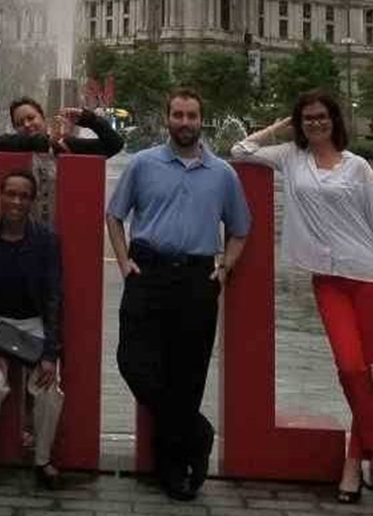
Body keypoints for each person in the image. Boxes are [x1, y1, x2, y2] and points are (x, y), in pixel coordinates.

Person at [232, 91, 373, 503]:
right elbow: (240, 150)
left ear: (335, 120)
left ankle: (352, 465)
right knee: (349, 368)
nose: (314, 124)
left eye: (321, 117)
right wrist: (279, 127)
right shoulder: (291, 158)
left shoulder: (359, 168)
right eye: (307, 118)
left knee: (366, 373)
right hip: (327, 281)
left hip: (369, 278)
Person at [107, 89, 250, 501]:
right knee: (131, 361)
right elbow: (114, 216)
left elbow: (241, 228)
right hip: (147, 272)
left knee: (188, 376)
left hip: (195, 279)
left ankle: (172, 468)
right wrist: (122, 261)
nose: (184, 122)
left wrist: (224, 268)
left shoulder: (223, 173)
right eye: (178, 115)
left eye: (191, 116)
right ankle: (198, 432)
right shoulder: (143, 163)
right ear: (167, 118)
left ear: (201, 120)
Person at [0, 169, 64, 490]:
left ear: (32, 202)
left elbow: (52, 298)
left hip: (33, 322)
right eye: (11, 194)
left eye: (24, 196)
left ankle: (43, 460)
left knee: (49, 391)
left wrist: (50, 353)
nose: (17, 201)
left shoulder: (46, 240)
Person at [0, 98, 124, 158]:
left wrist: (89, 119)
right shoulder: (9, 146)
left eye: (31, 118)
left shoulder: (68, 145)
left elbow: (114, 144)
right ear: (15, 128)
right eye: (20, 123)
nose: (27, 125)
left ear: (43, 118)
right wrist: (49, 142)